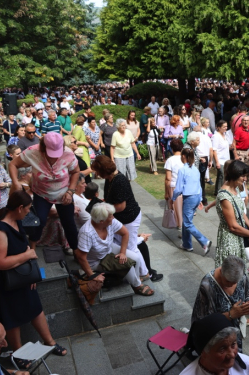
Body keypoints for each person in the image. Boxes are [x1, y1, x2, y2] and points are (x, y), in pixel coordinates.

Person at [0, 190, 67, 370]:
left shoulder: (17, 221)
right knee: (12, 318)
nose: (29, 212)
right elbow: (1, 262)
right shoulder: (2, 230)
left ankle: (50, 342)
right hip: (9, 283)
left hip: (23, 278)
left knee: (35, 308)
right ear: (20, 208)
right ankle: (18, 353)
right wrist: (27, 255)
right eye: (28, 208)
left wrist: (29, 271)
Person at [8, 133, 80, 252]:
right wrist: (15, 183)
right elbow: (13, 164)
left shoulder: (68, 153)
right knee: (39, 222)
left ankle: (76, 251)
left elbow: (76, 172)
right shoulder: (33, 151)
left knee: (69, 223)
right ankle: (32, 248)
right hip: (41, 193)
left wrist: (71, 191)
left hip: (63, 192)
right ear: (43, 147)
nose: (54, 157)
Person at [74, 203, 154, 297]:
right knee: (125, 263)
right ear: (101, 221)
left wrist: (123, 253)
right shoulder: (87, 233)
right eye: (110, 216)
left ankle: (133, 280)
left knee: (136, 258)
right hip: (95, 261)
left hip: (107, 249)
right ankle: (136, 285)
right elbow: (80, 257)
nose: (113, 218)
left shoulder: (110, 221)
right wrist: (92, 275)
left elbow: (125, 233)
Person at [91, 156, 151, 278]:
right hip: (122, 218)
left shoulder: (119, 180)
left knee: (131, 249)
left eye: (97, 171)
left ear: (103, 171)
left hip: (129, 217)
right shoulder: (110, 178)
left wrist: (104, 207)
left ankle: (144, 273)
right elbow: (111, 198)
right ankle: (141, 270)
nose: (96, 174)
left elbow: (121, 206)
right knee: (127, 244)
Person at [191, 257, 249, 350]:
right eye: (227, 281)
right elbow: (203, 322)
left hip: (234, 334)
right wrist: (230, 315)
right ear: (221, 271)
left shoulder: (241, 277)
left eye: (234, 282)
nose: (231, 285)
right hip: (217, 337)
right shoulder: (207, 285)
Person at [182, 313, 249, 375]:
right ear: (204, 353)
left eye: (233, 344)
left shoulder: (246, 363)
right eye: (222, 349)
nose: (232, 354)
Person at [214, 161, 249, 267]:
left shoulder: (236, 189)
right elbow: (233, 227)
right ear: (234, 174)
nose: (245, 179)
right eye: (243, 176)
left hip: (239, 236)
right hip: (230, 240)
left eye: (246, 176)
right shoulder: (224, 196)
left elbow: (241, 212)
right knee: (231, 274)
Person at [173, 148, 212, 255]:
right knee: (187, 221)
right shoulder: (195, 169)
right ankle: (187, 244)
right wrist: (199, 199)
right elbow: (199, 186)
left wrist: (173, 197)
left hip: (189, 198)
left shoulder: (182, 170)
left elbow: (178, 188)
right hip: (196, 196)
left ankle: (204, 242)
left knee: (187, 223)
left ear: (184, 156)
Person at [164, 138, 184, 236]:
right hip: (186, 187)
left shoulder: (170, 160)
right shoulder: (186, 159)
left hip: (174, 186)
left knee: (177, 209)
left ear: (172, 148)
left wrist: (166, 192)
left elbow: (168, 178)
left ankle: (181, 229)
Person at [212, 120, 231, 196]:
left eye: (226, 126)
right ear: (219, 128)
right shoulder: (216, 136)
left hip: (226, 159)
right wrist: (217, 162)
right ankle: (219, 192)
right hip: (220, 160)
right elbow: (214, 150)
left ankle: (219, 191)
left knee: (222, 176)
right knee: (222, 175)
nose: (226, 128)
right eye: (224, 127)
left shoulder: (225, 135)